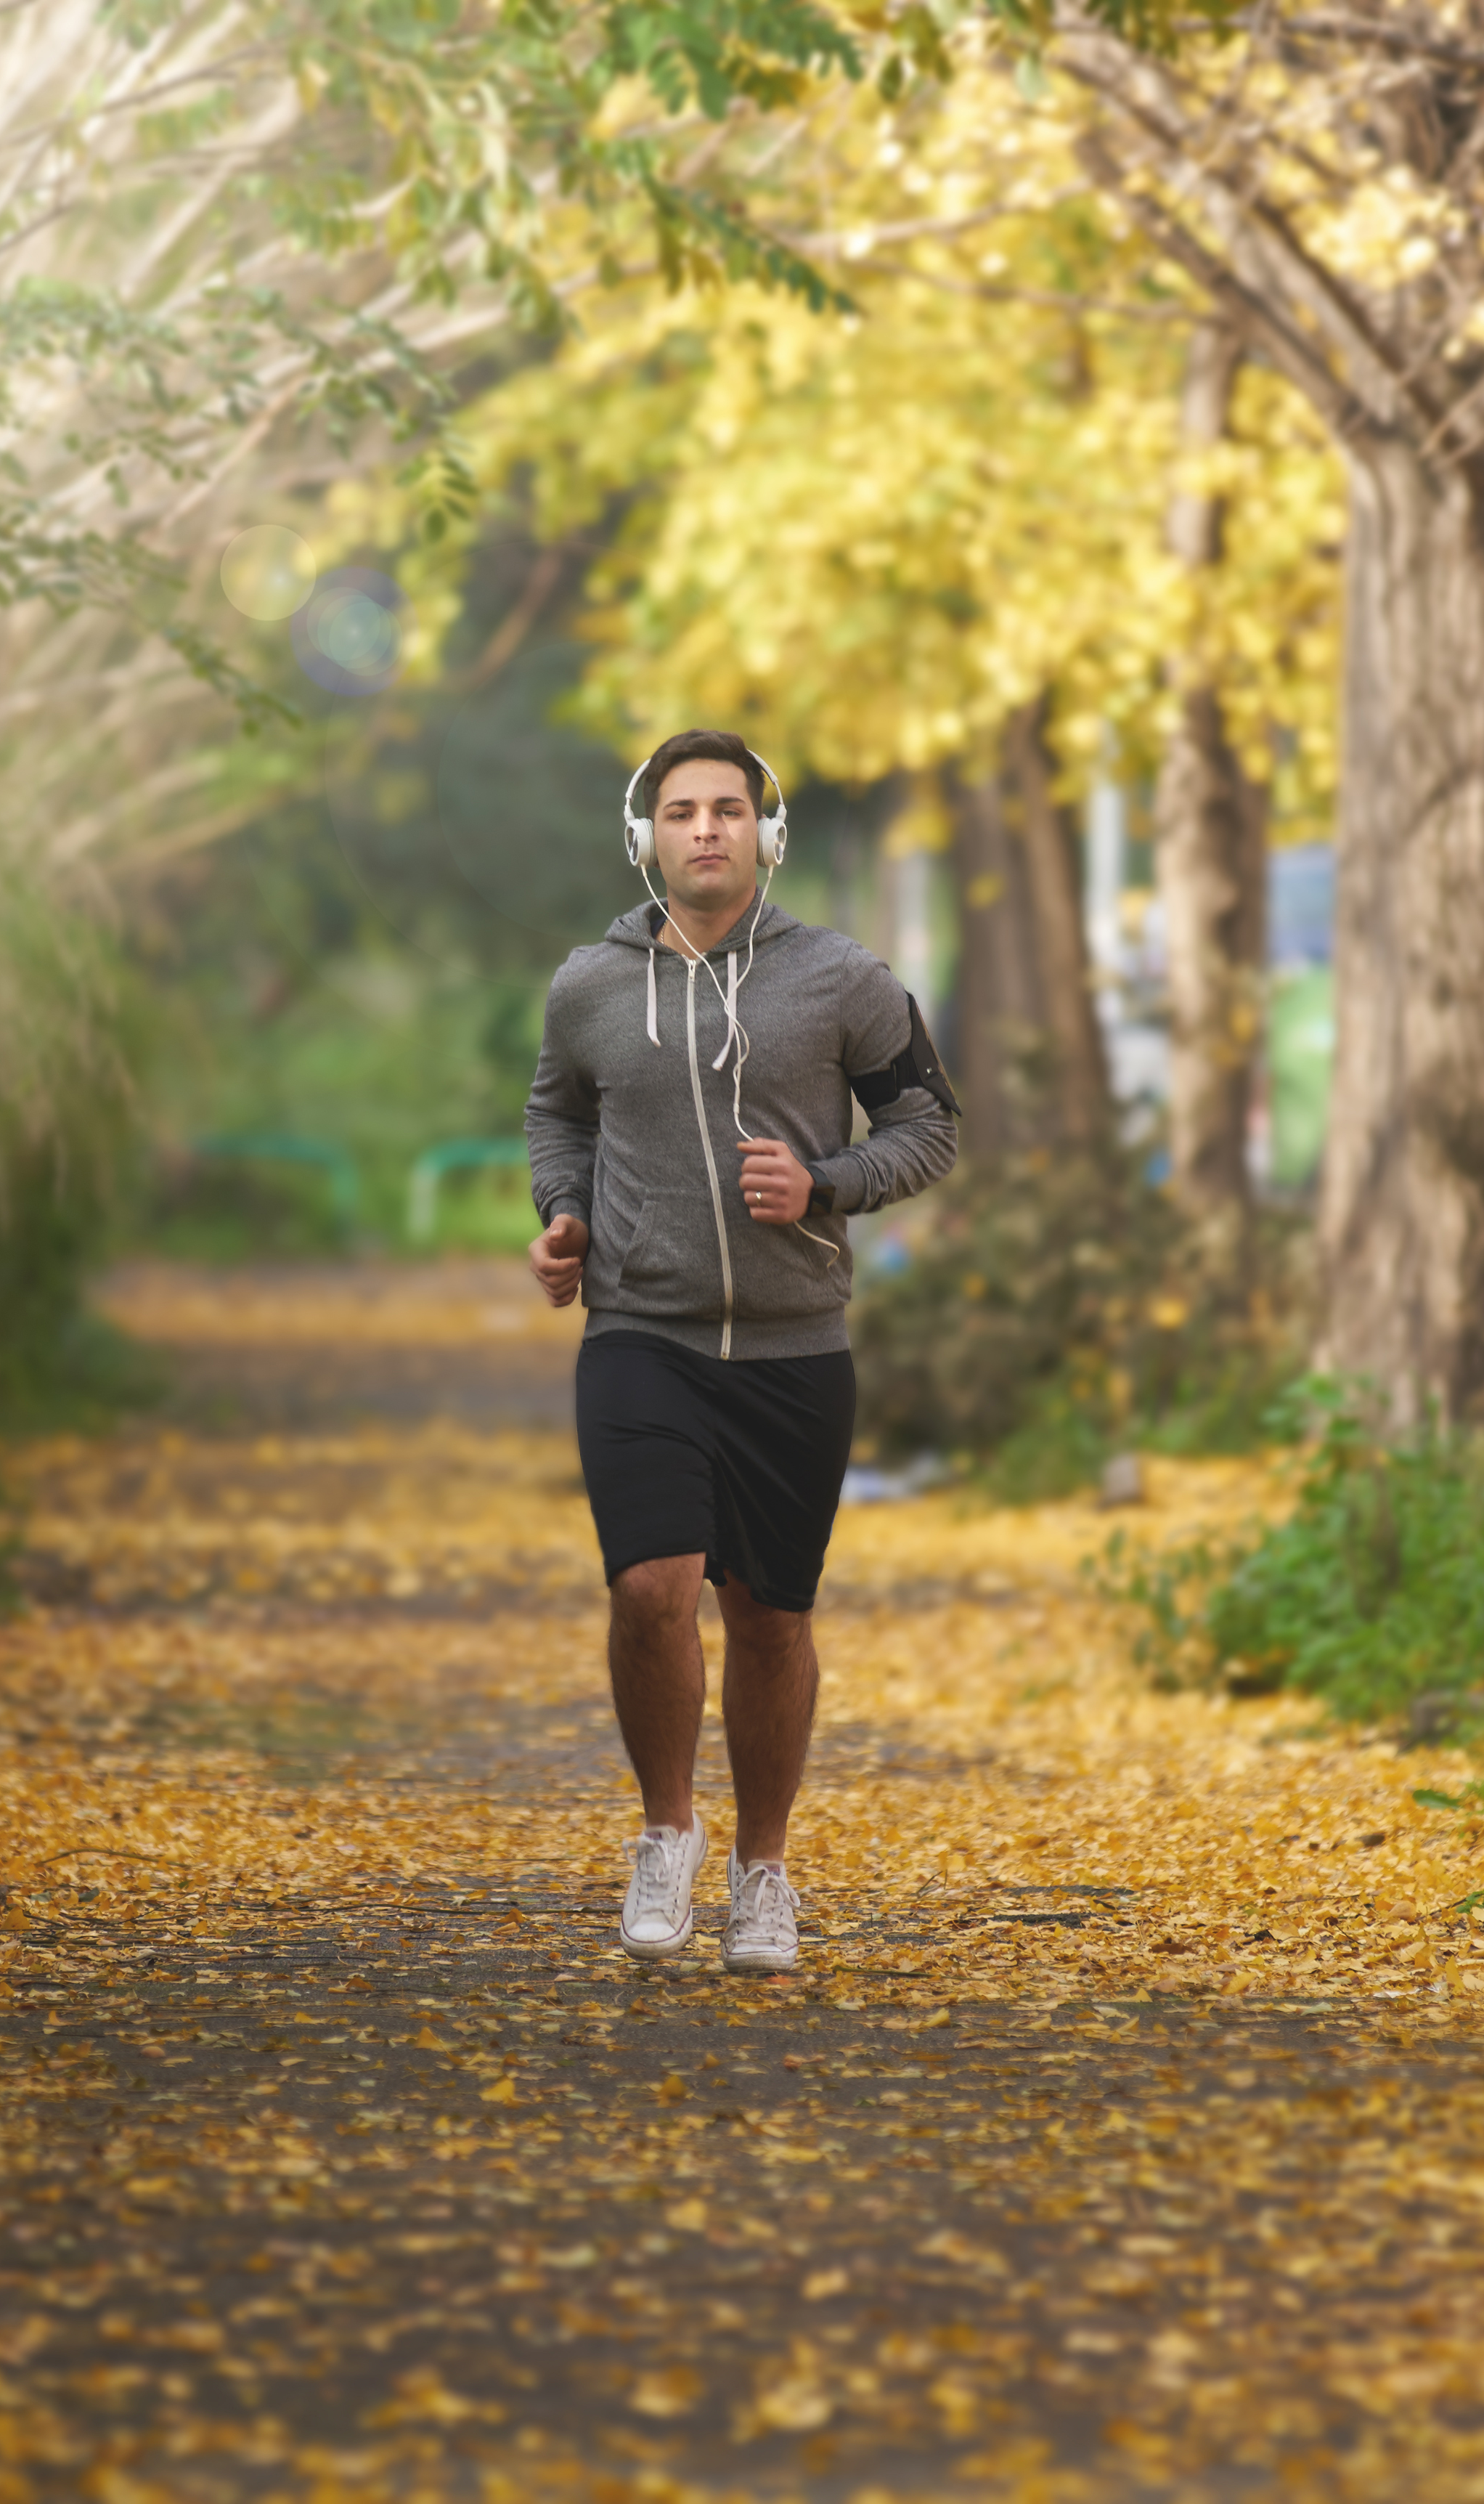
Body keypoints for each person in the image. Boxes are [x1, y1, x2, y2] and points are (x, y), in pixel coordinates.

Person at [521, 728, 961, 1974]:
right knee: (649, 1588)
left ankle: (764, 1870)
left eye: (727, 810)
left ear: (766, 837)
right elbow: (558, 1110)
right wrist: (563, 1215)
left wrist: (826, 1183)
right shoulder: (590, 986)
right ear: (646, 836)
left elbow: (930, 1124)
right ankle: (668, 1831)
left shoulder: (843, 980)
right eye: (680, 812)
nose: (704, 829)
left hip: (793, 1347)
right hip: (640, 1335)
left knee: (769, 1618)